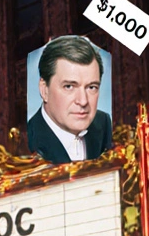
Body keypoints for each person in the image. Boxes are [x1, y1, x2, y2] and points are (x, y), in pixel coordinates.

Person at [27, 35, 113, 163]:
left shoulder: (103, 123)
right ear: (44, 90)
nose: (83, 101)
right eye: (69, 86)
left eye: (91, 87)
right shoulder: (28, 141)